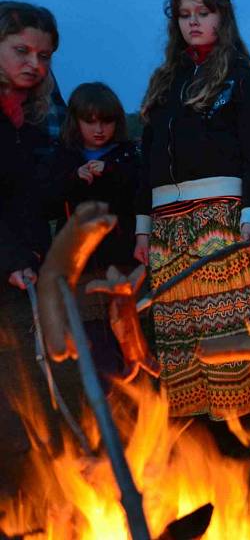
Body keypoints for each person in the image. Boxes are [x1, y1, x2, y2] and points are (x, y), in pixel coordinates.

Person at [135, 0, 250, 420]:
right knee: (178, 332)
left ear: (222, 17)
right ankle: (192, 441)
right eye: (184, 15)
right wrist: (143, 227)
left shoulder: (240, 78)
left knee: (224, 329)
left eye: (203, 12)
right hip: (166, 224)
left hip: (218, 217)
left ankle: (239, 433)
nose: (193, 22)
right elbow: (149, 158)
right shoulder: (165, 82)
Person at [0, 1, 59, 490]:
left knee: (23, 386)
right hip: (9, 265)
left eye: (43, 56)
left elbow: (30, 201)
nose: (33, 64)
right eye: (21, 50)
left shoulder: (30, 124)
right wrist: (13, 257)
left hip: (20, 272)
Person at [49, 82, 139, 386]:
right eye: (90, 121)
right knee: (96, 344)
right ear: (76, 122)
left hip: (121, 265)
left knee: (129, 340)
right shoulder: (63, 157)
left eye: (106, 120)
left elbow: (139, 195)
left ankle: (139, 413)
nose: (99, 129)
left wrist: (111, 172)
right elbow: (45, 200)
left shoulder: (127, 156)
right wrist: (75, 177)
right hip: (82, 267)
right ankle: (107, 415)